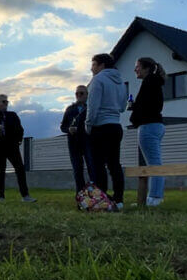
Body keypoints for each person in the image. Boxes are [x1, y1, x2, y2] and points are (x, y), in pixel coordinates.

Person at [84, 53, 128, 210]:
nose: (91, 68)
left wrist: (88, 125)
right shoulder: (121, 82)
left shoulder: (98, 79)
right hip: (116, 126)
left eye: (93, 64)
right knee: (114, 164)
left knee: (98, 165)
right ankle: (119, 199)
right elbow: (123, 107)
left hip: (100, 127)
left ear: (102, 65)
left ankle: (101, 200)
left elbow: (93, 106)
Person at [0, 94, 36, 202]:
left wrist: (18, 140)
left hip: (12, 146)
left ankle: (25, 196)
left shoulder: (12, 115)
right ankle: (0, 196)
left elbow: (20, 129)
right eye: (3, 102)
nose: (5, 104)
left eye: (6, 102)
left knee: (20, 169)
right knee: (0, 171)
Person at [131, 56, 166, 206]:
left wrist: (135, 113)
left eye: (137, 66)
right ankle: (153, 197)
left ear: (146, 68)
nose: (135, 69)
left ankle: (155, 198)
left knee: (154, 164)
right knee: (154, 162)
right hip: (156, 125)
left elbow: (145, 106)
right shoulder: (154, 82)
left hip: (149, 126)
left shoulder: (149, 82)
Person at [60, 85, 97, 192]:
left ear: (87, 95)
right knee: (77, 170)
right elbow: (63, 126)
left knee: (92, 169)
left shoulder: (90, 108)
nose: (79, 95)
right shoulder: (70, 109)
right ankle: (80, 196)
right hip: (74, 144)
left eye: (82, 93)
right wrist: (69, 129)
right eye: (77, 93)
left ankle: (95, 194)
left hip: (88, 142)